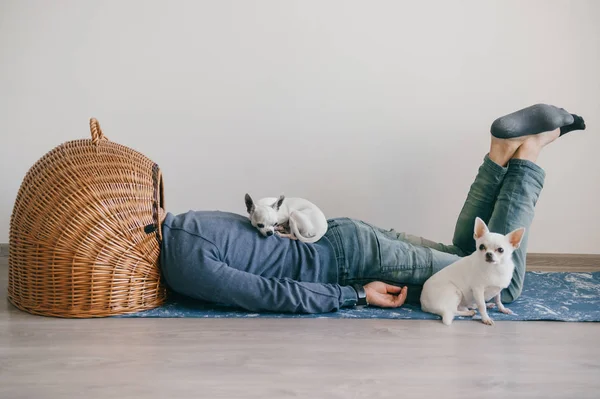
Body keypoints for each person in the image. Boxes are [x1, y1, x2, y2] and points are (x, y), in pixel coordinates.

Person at [158, 104, 587, 313]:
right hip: (344, 236)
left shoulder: (183, 262)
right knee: (465, 257)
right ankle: (499, 154)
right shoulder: (188, 220)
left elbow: (271, 294)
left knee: (500, 285)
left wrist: (356, 295)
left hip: (348, 262)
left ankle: (526, 155)